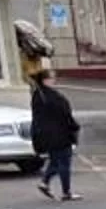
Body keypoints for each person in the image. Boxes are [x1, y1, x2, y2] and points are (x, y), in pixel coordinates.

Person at [29, 68, 79, 200]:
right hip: (60, 134)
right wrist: (74, 127)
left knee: (55, 161)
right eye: (52, 78)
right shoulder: (53, 97)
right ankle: (66, 192)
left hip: (46, 136)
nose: (54, 80)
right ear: (45, 80)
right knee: (64, 163)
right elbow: (64, 115)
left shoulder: (38, 95)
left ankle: (44, 183)